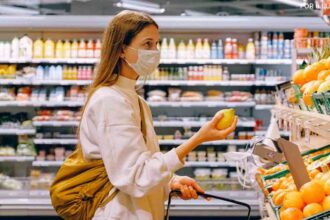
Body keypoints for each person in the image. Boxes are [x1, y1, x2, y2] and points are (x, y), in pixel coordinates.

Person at [79, 10, 238, 219]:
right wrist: (198, 138)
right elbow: (135, 178)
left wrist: (170, 182)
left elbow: (141, 168)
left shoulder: (136, 100)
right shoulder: (110, 101)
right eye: (147, 44)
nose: (154, 51)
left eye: (156, 44)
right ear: (121, 50)